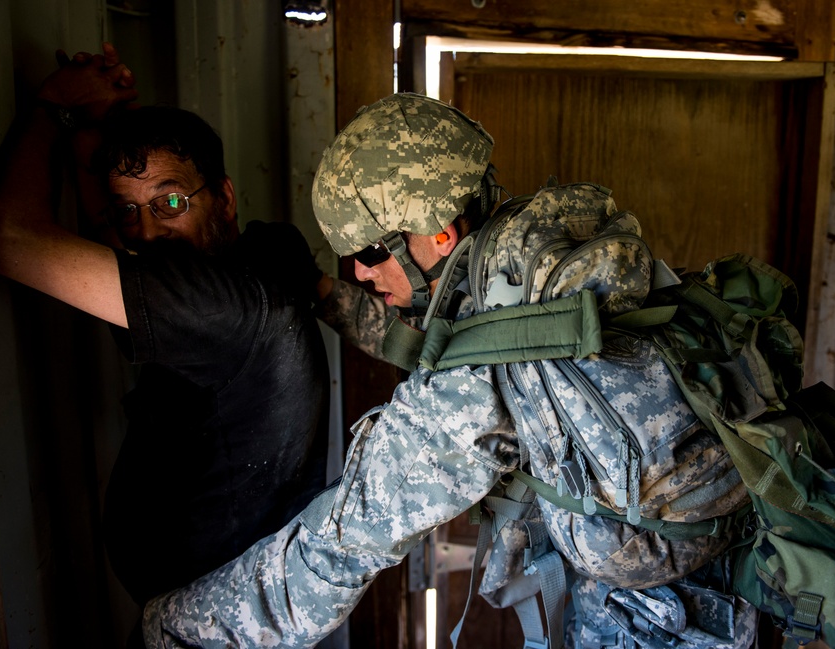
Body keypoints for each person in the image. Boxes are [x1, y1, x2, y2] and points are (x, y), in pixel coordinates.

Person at [142, 93, 755, 648]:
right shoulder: (519, 258)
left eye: (370, 252)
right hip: (709, 581)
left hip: (660, 623)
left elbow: (338, 547)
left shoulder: (475, 379)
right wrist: (322, 290)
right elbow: (437, 339)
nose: (359, 272)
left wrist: (172, 625)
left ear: (439, 233)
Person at [0, 43, 331, 610]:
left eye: (172, 202)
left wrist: (52, 108)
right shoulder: (266, 250)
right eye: (128, 210)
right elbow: (113, 236)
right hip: (239, 600)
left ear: (225, 197)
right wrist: (97, 120)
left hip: (217, 620)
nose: (147, 232)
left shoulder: (211, 306)